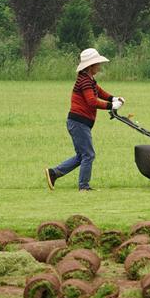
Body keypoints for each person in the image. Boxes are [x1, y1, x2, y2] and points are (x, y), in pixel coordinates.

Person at [45, 48, 124, 191]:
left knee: (82, 155)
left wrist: (113, 98)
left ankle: (54, 173)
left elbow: (99, 91)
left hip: (79, 123)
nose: (100, 66)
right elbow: (92, 102)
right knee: (88, 155)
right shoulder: (85, 81)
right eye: (97, 64)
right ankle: (84, 187)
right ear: (90, 66)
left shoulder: (88, 80)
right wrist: (111, 105)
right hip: (78, 123)